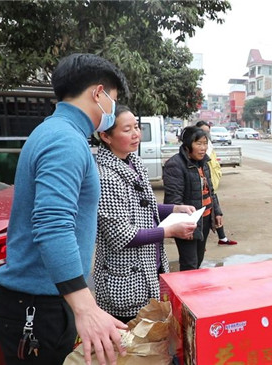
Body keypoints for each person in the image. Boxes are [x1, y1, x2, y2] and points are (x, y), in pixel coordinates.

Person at [0, 53, 129, 365]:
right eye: (113, 99)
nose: (112, 109)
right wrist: (85, 307)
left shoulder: (56, 132)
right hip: (38, 308)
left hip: (46, 301)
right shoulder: (65, 140)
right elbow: (53, 224)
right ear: (98, 93)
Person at [93, 105, 197, 324]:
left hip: (150, 267)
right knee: (131, 347)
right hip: (125, 281)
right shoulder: (105, 177)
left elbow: (143, 207)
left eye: (137, 127)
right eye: (127, 129)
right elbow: (121, 235)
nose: (136, 134)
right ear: (105, 136)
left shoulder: (134, 162)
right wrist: (168, 231)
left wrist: (174, 209)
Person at [163, 126, 224, 270]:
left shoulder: (204, 163)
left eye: (205, 143)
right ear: (187, 144)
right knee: (189, 264)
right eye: (198, 144)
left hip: (205, 221)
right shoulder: (175, 165)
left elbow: (210, 191)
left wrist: (217, 212)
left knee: (198, 260)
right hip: (188, 223)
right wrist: (184, 224)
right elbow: (173, 200)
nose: (203, 148)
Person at [195, 120, 238, 245]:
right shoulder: (196, 150)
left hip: (211, 185)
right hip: (201, 189)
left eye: (208, 132)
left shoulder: (209, 146)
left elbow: (213, 164)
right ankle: (201, 243)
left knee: (216, 211)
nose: (206, 135)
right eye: (203, 131)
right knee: (205, 214)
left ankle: (222, 237)